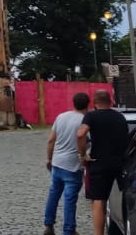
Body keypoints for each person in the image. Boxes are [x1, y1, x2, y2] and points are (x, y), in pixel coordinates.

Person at [77, 89, 128, 235]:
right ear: (110, 101)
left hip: (99, 162)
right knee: (122, 197)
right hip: (119, 163)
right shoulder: (120, 117)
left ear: (94, 102)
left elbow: (80, 133)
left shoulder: (91, 116)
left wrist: (83, 155)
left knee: (99, 200)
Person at [44, 92, 90, 235]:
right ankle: (69, 230)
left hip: (57, 162)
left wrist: (49, 159)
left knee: (53, 194)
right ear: (88, 104)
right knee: (70, 200)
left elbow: (51, 140)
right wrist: (83, 157)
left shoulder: (61, 116)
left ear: (73, 103)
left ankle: (48, 225)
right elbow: (84, 141)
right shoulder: (85, 121)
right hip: (72, 165)